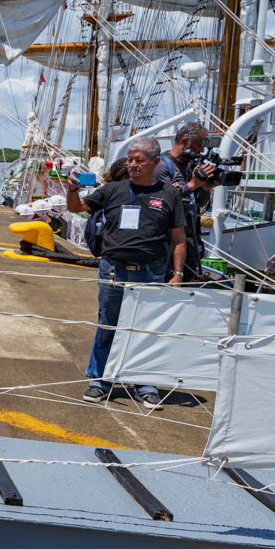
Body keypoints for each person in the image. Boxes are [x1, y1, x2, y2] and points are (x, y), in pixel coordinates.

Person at [65, 137, 187, 408]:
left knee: (145, 330)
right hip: (113, 271)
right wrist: (72, 190)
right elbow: (77, 208)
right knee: (108, 326)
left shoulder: (170, 193)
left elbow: (178, 236)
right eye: (130, 159)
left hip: (151, 273)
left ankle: (145, 383)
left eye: (139, 160)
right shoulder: (113, 189)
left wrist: (178, 273)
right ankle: (100, 380)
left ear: (155, 162)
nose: (132, 164)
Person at [153, 121, 218, 280]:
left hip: (190, 239)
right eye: (198, 145)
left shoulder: (190, 166)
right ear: (183, 142)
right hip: (168, 242)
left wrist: (205, 188)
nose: (201, 150)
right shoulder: (162, 166)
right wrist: (193, 184)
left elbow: (198, 202)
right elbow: (164, 200)